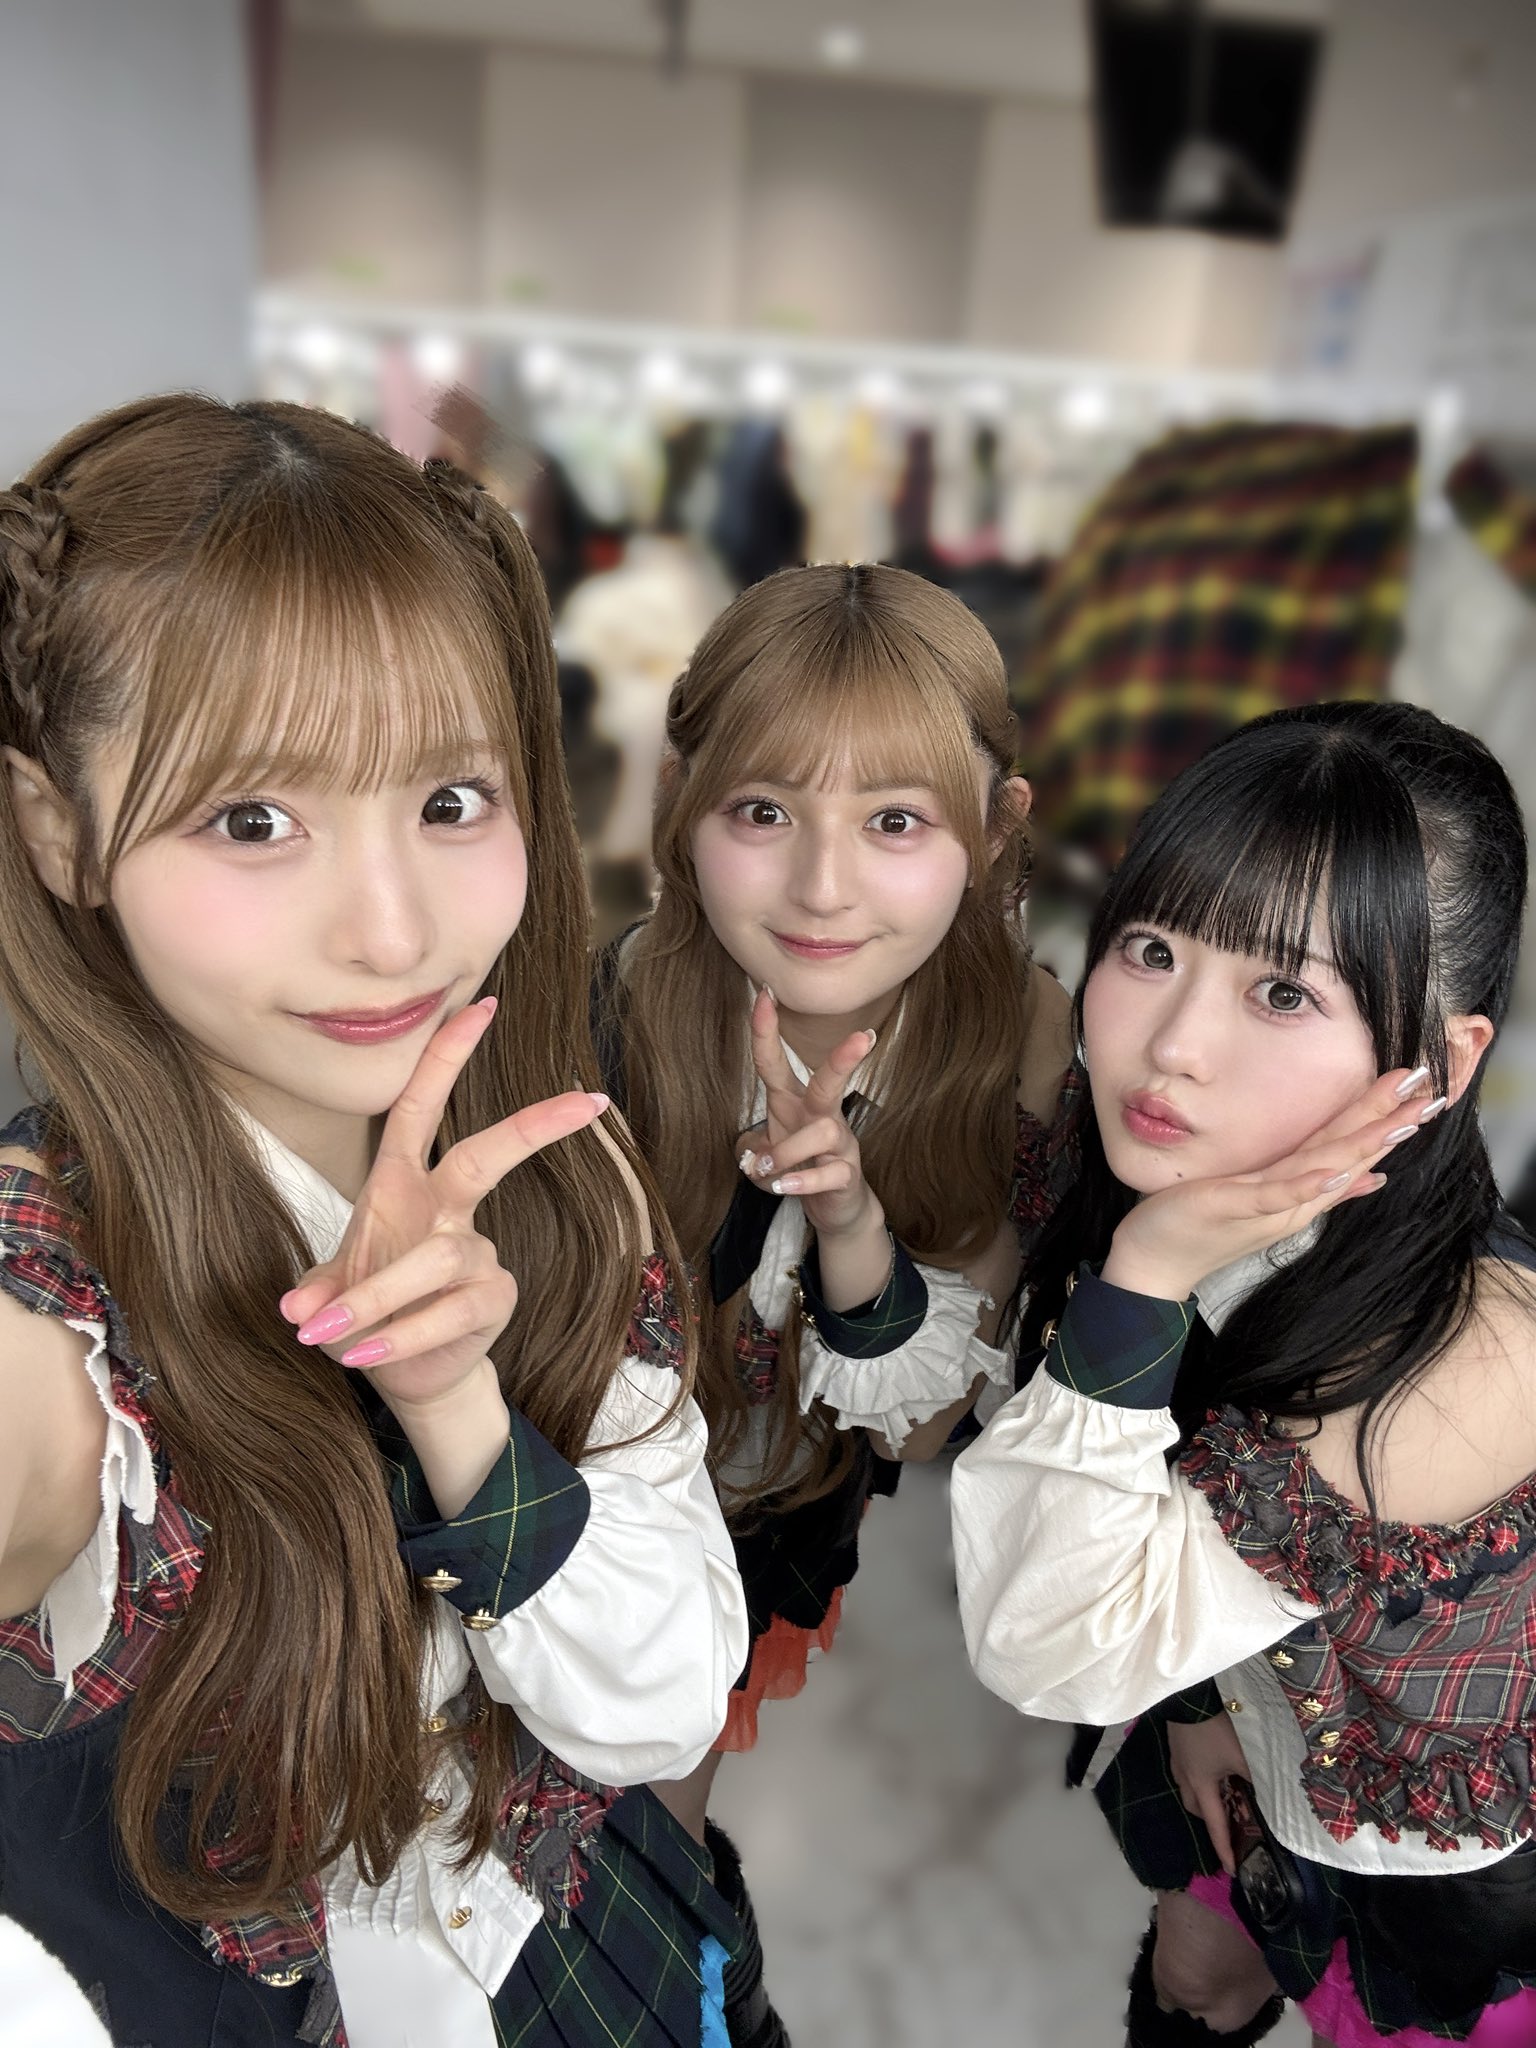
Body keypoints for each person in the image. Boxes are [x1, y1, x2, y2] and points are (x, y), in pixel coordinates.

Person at [0, 395, 748, 2048]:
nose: (395, 932)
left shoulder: (559, 1164)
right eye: (252, 821)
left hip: (591, 1942)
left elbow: (669, 1694)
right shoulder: (58, 1317)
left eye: (453, 799)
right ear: (61, 833)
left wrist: (457, 1406)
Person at [951, 700, 1536, 2048]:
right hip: (1244, 1718)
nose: (1173, 1045)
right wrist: (1202, 1694)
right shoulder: (1192, 1170)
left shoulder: (1452, 1368)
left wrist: (1145, 1273)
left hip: (1433, 1877)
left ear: (1441, 1062)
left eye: (1284, 992)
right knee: (1198, 1977)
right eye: (1153, 947)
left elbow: (1048, 1637)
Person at [597, 561, 1079, 2043]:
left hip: (768, 1519)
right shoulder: (612, 1002)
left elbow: (922, 1426)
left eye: (895, 821)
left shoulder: (1019, 1036)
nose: (821, 888)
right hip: (566, 1511)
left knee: (647, 1852)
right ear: (680, 801)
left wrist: (849, 1217)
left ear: (994, 826)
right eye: (763, 811)